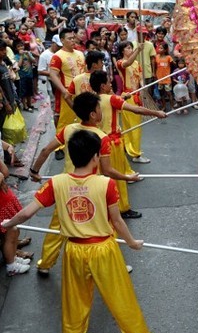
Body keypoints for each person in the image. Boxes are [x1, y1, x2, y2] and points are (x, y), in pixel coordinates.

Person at [3, 130, 169, 333]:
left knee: (74, 303)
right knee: (121, 298)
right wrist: (132, 243)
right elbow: (117, 221)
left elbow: (26, 213)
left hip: (73, 250)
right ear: (95, 157)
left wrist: (8, 222)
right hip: (103, 250)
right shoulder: (106, 184)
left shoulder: (57, 183)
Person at [29, 92, 143, 275]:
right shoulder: (101, 137)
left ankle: (45, 264)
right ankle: (113, 265)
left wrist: (34, 171)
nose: (101, 112)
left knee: (57, 228)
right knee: (106, 229)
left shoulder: (67, 130)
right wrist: (128, 177)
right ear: (92, 114)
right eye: (99, 109)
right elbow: (107, 171)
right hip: (94, 191)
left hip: (66, 188)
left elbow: (45, 149)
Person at [90, 70, 166, 219]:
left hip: (97, 142)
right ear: (102, 85)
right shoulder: (111, 99)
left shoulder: (92, 99)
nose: (110, 84)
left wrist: (122, 97)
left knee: (102, 176)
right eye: (108, 82)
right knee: (119, 177)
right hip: (112, 144)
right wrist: (157, 113)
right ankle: (123, 208)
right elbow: (136, 109)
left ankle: (103, 206)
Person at [49, 28, 86, 159]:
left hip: (82, 90)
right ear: (62, 40)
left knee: (82, 117)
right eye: (69, 38)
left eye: (73, 38)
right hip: (68, 92)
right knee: (65, 120)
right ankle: (58, 146)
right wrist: (63, 91)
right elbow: (53, 74)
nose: (72, 41)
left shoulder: (80, 54)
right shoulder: (58, 56)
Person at [0, 139, 31, 276]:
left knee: (12, 232)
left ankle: (12, 257)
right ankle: (11, 265)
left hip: (4, 198)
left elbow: (4, 173)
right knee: (10, 231)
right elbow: (4, 173)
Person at [116, 42, 150, 163]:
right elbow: (127, 63)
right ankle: (136, 154)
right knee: (133, 127)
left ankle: (129, 148)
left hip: (136, 95)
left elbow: (140, 78)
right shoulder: (120, 62)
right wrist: (138, 50)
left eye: (131, 47)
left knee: (132, 126)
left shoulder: (137, 63)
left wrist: (143, 88)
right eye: (128, 48)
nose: (131, 50)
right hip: (127, 96)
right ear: (122, 51)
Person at [13, 40, 36, 112]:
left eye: (21, 46)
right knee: (23, 92)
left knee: (30, 91)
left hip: (29, 75)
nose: (21, 48)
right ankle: (25, 106)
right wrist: (21, 56)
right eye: (18, 46)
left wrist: (28, 54)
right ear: (16, 48)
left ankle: (29, 104)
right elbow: (19, 65)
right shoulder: (16, 56)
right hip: (22, 76)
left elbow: (34, 61)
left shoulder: (28, 53)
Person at [154, 43, 174, 111]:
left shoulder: (168, 57)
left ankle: (172, 107)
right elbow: (155, 66)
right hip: (159, 78)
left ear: (165, 50)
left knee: (169, 93)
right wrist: (155, 74)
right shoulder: (157, 57)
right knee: (161, 93)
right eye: (159, 48)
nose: (159, 49)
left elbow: (173, 64)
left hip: (167, 79)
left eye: (161, 48)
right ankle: (164, 106)